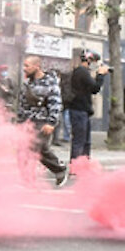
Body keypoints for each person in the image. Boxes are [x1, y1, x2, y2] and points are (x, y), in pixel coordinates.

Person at [17, 55, 69, 187]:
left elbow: (56, 104)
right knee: (23, 150)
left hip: (42, 122)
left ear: (37, 66)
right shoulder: (28, 84)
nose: (24, 69)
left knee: (39, 149)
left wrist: (51, 122)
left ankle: (59, 169)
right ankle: (28, 178)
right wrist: (19, 122)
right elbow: (22, 105)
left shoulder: (50, 83)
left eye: (27, 66)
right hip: (28, 121)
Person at [67, 50, 109, 162]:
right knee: (80, 141)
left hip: (82, 111)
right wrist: (100, 75)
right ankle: (76, 167)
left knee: (85, 142)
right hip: (79, 111)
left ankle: (83, 165)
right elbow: (95, 88)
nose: (96, 64)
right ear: (89, 60)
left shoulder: (81, 72)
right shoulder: (82, 71)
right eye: (95, 61)